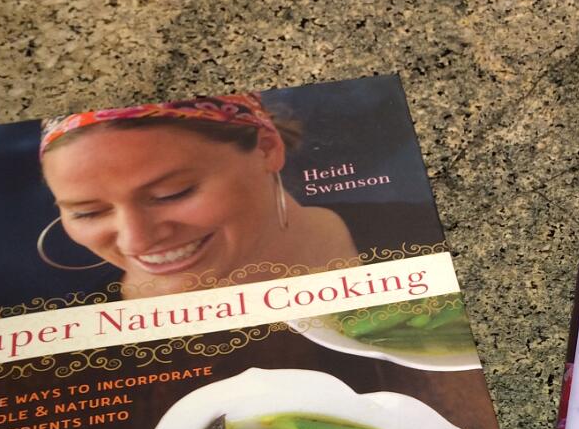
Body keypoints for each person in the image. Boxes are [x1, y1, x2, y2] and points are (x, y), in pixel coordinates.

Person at [37, 93, 357, 299]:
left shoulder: (388, 232)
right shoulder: (70, 350)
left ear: (266, 149)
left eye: (171, 194)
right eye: (88, 213)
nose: (136, 242)